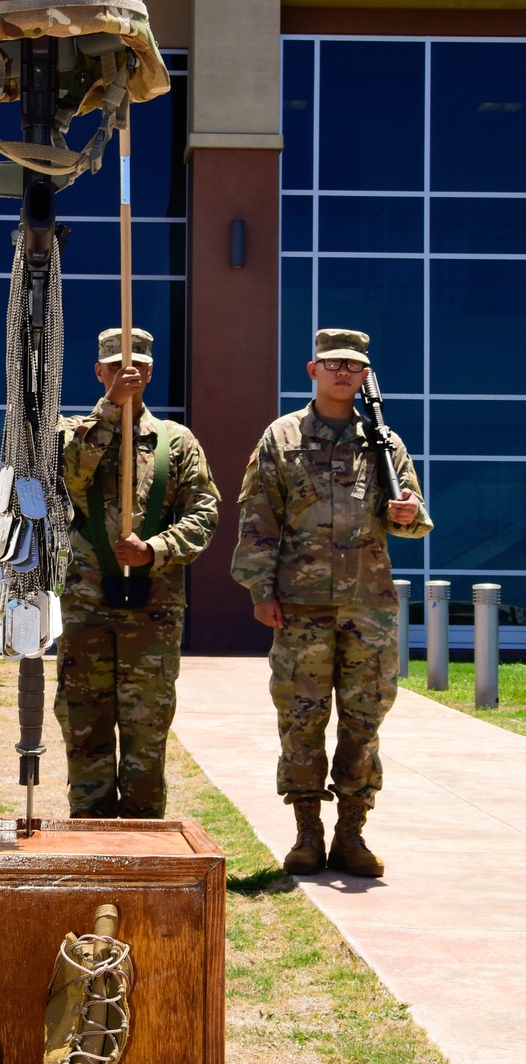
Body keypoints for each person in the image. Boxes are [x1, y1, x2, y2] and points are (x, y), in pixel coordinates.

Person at [231, 327, 432, 878]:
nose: (343, 372)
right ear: (312, 370)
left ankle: (351, 833)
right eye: (332, 363)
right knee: (301, 720)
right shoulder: (282, 437)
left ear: (365, 375)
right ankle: (306, 834)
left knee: (363, 723)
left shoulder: (384, 442)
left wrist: (408, 515)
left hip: (368, 609)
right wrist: (259, 590)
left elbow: (416, 519)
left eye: (353, 365)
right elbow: (257, 517)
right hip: (300, 609)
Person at [55, 327, 220, 818]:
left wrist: (156, 548)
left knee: (146, 728)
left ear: (151, 371)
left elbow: (204, 511)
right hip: (87, 604)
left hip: (153, 608)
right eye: (115, 365)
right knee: (85, 723)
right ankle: (88, 831)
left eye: (139, 365)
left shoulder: (176, 441)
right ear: (99, 371)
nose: (129, 372)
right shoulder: (71, 431)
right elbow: (70, 473)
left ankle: (143, 835)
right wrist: (110, 407)